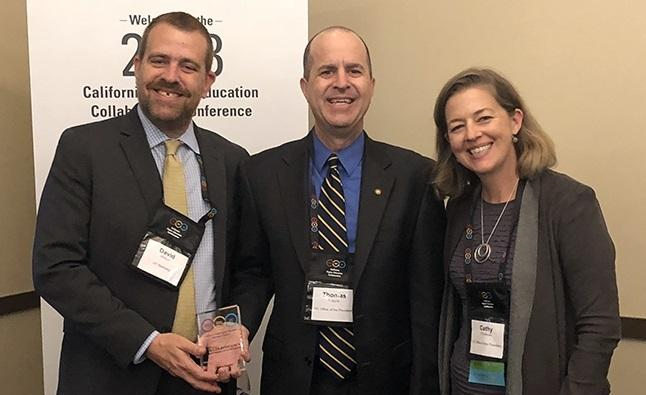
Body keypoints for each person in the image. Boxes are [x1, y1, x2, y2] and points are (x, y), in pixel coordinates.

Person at [32, 11, 249, 395]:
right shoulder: (85, 149)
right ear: (137, 66)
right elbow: (56, 267)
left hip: (205, 379)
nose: (171, 76)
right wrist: (148, 341)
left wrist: (232, 331)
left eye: (188, 66)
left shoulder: (231, 160)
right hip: (112, 375)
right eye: (159, 60)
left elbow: (249, 267)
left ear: (207, 81)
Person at [230, 26, 445, 395]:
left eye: (354, 71)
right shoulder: (261, 174)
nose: (341, 83)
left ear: (372, 85)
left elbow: (426, 300)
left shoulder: (415, 177)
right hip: (294, 380)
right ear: (305, 85)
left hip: (386, 378)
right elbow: (253, 272)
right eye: (327, 71)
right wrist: (235, 328)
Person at [432, 67, 621, 395]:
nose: (472, 134)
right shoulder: (459, 208)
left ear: (515, 121)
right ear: (449, 142)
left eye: (484, 118)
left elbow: (599, 326)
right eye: (457, 127)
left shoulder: (569, 204)